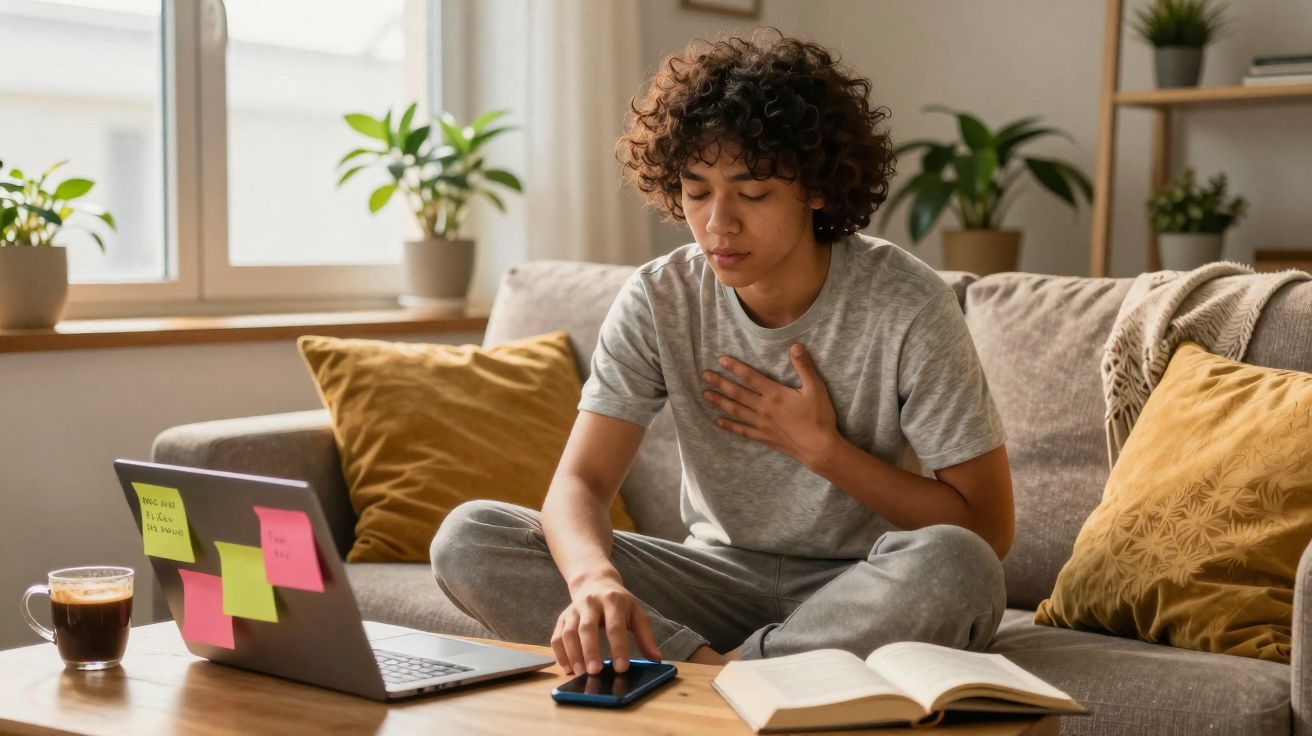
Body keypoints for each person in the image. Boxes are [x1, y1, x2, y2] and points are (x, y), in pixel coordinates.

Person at [432, 27, 1013, 678]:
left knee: (958, 567)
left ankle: (710, 681)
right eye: (697, 190)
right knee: (471, 536)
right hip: (710, 579)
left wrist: (825, 451)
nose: (718, 223)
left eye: (753, 192)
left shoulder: (906, 304)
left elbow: (987, 529)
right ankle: (720, 674)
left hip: (860, 587)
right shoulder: (661, 297)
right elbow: (581, 483)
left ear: (816, 189)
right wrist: (596, 581)